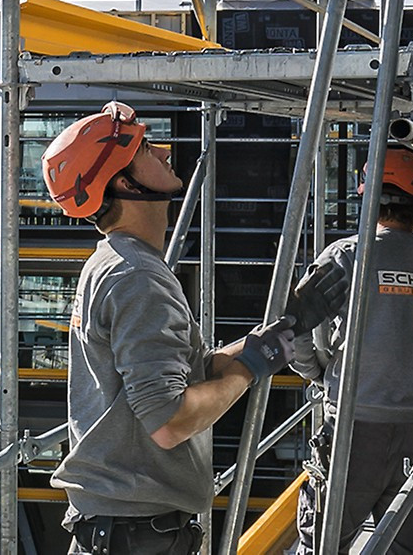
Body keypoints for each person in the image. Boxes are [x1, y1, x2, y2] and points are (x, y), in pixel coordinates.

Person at [42, 102, 343, 555]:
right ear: (125, 183)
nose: (163, 150)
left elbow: (191, 371)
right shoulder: (136, 278)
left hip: (127, 526)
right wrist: (250, 368)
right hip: (137, 532)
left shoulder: (121, 264)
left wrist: (284, 331)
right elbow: (170, 419)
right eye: (144, 148)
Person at [289, 146, 413, 554]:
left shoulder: (349, 256)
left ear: (368, 198)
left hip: (355, 428)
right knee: (409, 546)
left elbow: (293, 321)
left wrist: (313, 369)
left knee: (325, 542)